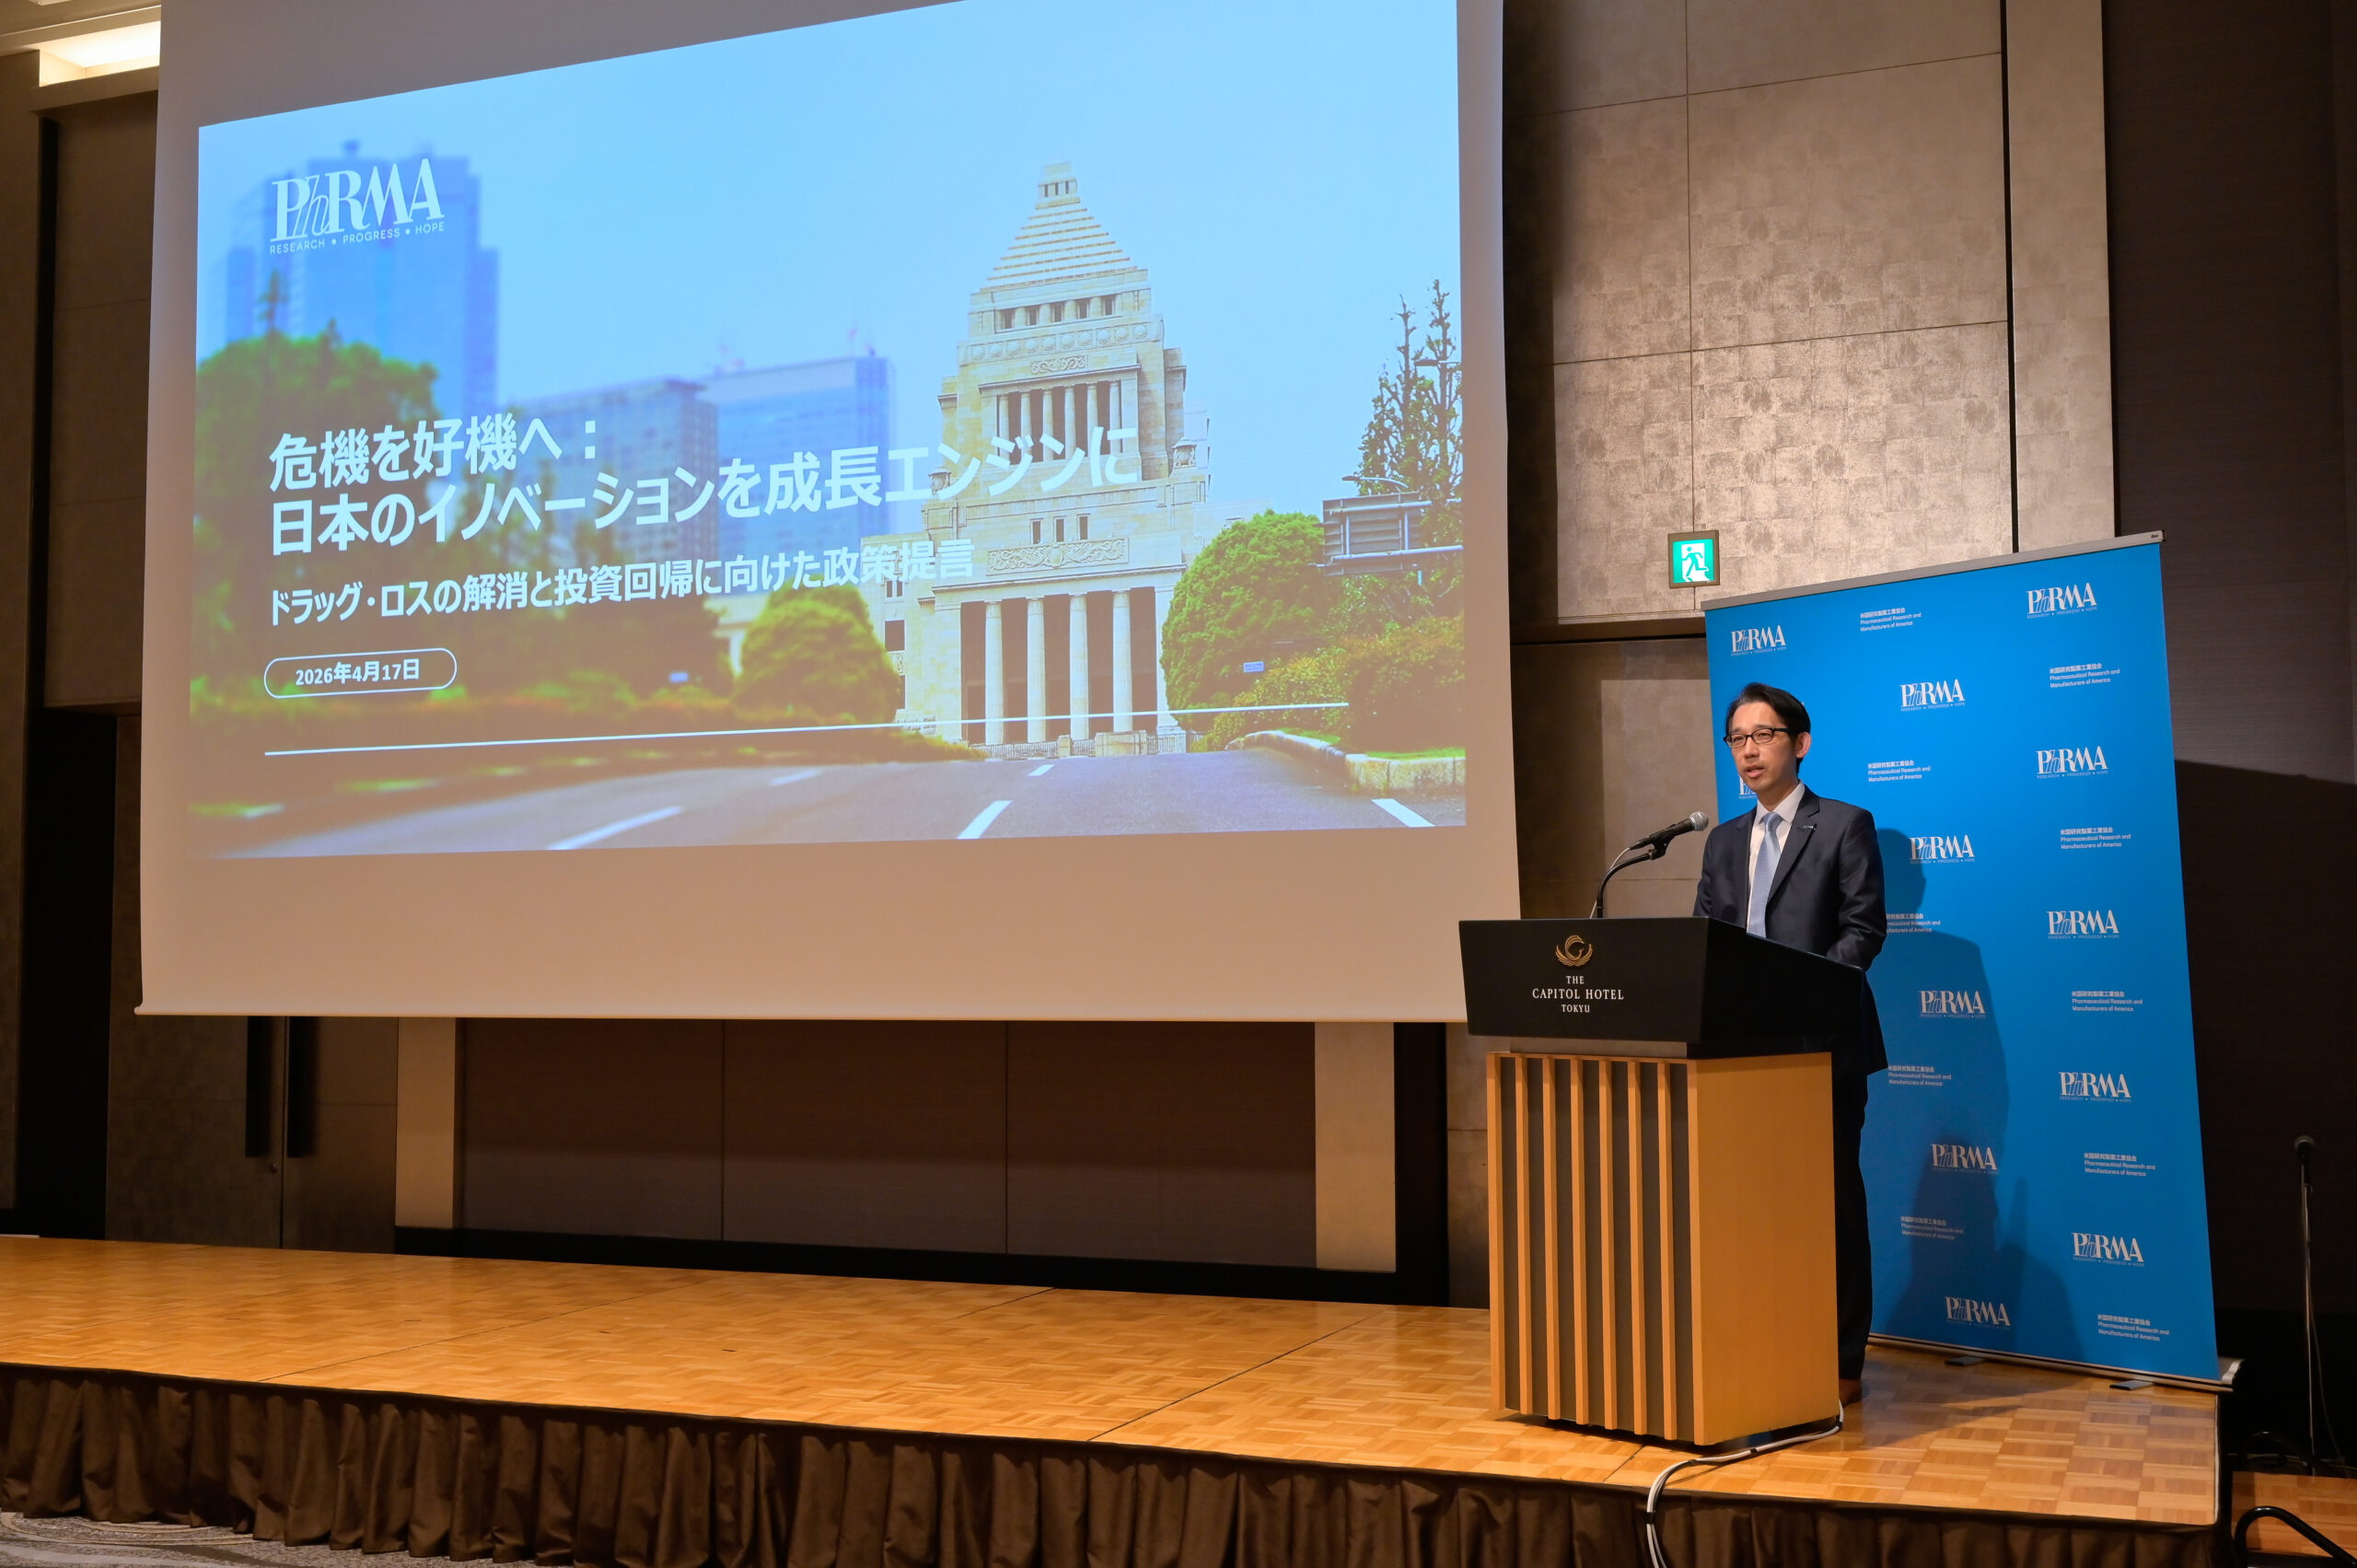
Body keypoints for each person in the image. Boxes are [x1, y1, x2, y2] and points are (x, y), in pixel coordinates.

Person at [1692, 681, 1886, 1407]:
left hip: (1820, 1048)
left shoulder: (1843, 825)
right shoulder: (1721, 840)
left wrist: (1797, 994)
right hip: (1738, 1059)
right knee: (1747, 1208)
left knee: (1830, 1205)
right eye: (1737, 738)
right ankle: (1759, 1345)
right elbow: (1703, 940)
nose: (1749, 750)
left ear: (1799, 743)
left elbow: (1863, 931)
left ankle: (1840, 1359)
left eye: (1763, 735)